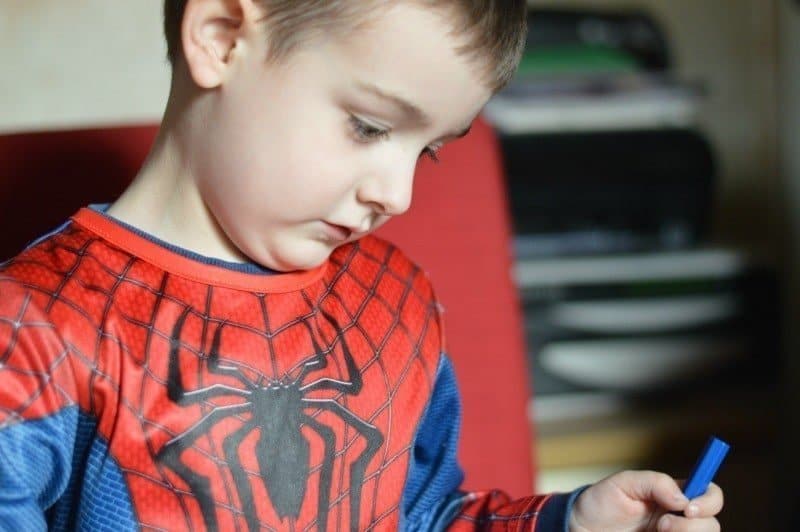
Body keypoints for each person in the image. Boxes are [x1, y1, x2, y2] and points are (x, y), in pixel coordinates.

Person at [0, 1, 724, 530]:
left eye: (430, 149)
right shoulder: (34, 331)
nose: (398, 194)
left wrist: (572, 523)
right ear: (220, 38)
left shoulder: (396, 302)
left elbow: (426, 518)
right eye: (369, 127)